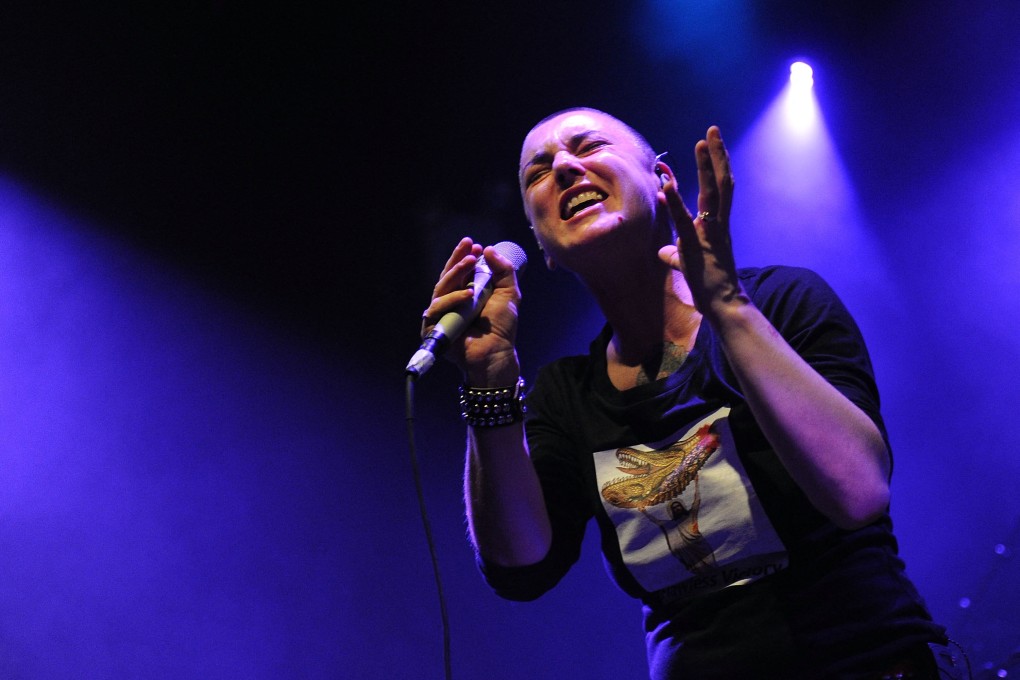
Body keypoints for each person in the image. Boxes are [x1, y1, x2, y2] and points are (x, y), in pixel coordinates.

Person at [420, 107, 966, 679]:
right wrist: (489, 381)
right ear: (544, 247)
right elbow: (520, 565)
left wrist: (726, 305)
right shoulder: (565, 396)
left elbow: (857, 494)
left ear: (663, 181)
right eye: (538, 171)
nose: (562, 168)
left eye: (589, 147)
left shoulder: (782, 304)